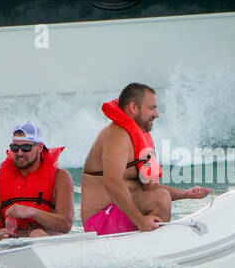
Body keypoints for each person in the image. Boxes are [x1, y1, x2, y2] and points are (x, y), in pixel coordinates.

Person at [81, 83, 211, 235]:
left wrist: (186, 194)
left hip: (122, 213)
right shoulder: (116, 135)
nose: (157, 114)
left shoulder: (141, 138)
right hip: (99, 223)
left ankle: (153, 242)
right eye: (152, 108)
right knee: (160, 198)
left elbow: (150, 187)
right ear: (133, 108)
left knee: (160, 195)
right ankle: (155, 244)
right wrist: (140, 221)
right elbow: (112, 183)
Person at [0, 122, 74, 238]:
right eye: (15, 148)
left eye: (26, 147)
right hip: (11, 242)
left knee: (36, 234)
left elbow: (66, 225)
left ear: (40, 147)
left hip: (46, 241)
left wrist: (32, 212)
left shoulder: (60, 178)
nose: (19, 153)